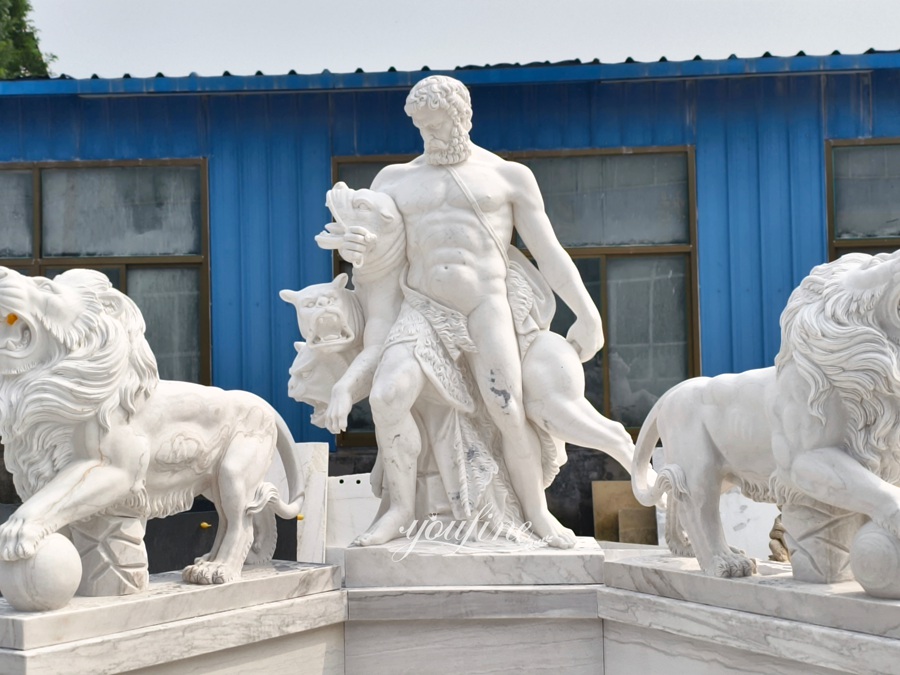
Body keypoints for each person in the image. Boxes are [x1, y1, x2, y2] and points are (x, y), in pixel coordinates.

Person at [345, 75, 604, 548]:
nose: (429, 135)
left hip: (486, 307)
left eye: (437, 125)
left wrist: (587, 313)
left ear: (462, 117)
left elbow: (549, 252)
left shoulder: (508, 177)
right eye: (421, 127)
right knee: (386, 396)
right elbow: (376, 255)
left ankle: (538, 513)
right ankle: (400, 509)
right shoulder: (394, 180)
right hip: (421, 307)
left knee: (508, 409)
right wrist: (356, 250)